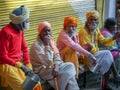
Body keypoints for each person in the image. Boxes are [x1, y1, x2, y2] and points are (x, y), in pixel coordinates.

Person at [0, 5, 42, 90]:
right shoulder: (5, 32)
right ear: (19, 22)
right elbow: (3, 56)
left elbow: (25, 48)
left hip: (18, 65)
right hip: (7, 66)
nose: (28, 22)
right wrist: (22, 66)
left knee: (36, 84)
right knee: (23, 88)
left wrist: (28, 65)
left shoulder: (20, 30)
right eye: (27, 20)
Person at [30, 21, 80, 90]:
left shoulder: (51, 41)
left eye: (49, 31)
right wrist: (46, 46)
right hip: (43, 70)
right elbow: (47, 62)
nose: (47, 33)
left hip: (54, 67)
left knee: (70, 66)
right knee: (69, 76)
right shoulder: (36, 46)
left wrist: (56, 66)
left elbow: (57, 56)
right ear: (40, 32)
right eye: (45, 31)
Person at [78, 10, 120, 90]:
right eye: (91, 19)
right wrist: (98, 50)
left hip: (96, 54)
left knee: (107, 58)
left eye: (95, 20)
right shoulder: (83, 31)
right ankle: (115, 75)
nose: (93, 21)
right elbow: (87, 48)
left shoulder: (96, 29)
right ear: (87, 20)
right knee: (107, 54)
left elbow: (103, 41)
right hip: (87, 57)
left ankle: (106, 84)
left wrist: (114, 37)